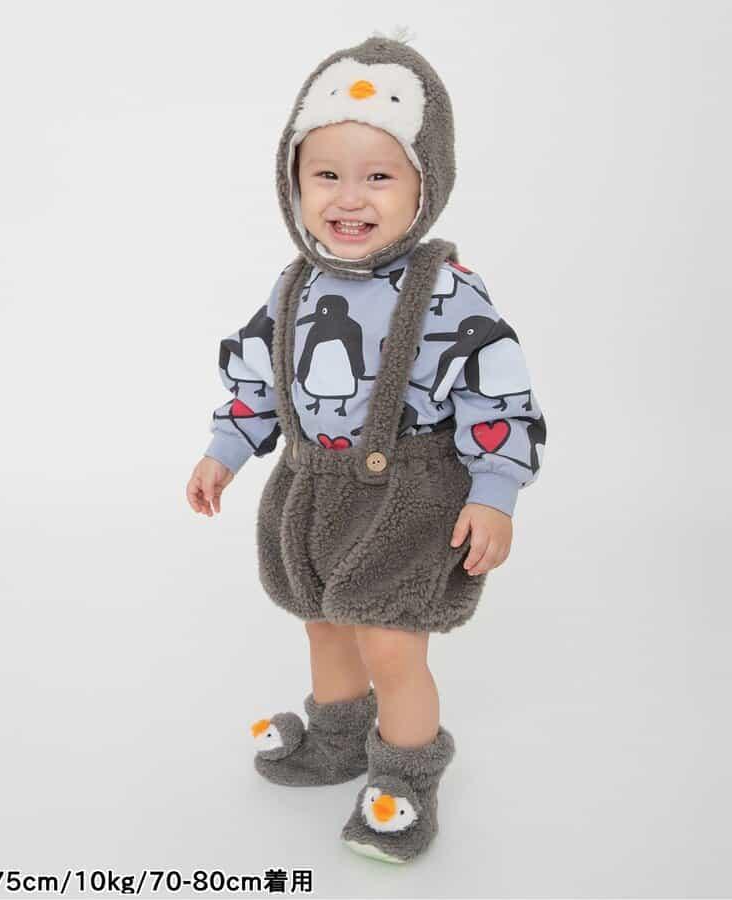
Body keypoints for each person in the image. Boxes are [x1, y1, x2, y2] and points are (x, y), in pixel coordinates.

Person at [186, 31, 547, 864]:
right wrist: (225, 449)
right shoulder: (293, 285)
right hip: (312, 486)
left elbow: (497, 395)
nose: (349, 198)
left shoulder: (447, 290)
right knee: (323, 622)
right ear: (293, 184)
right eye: (326, 176)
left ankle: (407, 774)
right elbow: (259, 377)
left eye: (379, 176)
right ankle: (338, 735)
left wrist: (494, 492)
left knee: (390, 640)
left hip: (408, 495)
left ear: (427, 184)